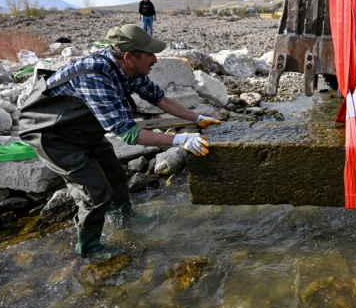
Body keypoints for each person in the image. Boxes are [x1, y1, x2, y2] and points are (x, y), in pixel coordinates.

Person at [18, 24, 220, 260]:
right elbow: (129, 134)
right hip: (52, 135)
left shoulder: (129, 70)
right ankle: (89, 248)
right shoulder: (95, 76)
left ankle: (125, 219)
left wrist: (199, 118)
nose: (155, 59)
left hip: (83, 129)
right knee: (95, 193)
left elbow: (160, 99)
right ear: (129, 57)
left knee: (115, 176)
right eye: (150, 54)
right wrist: (180, 140)